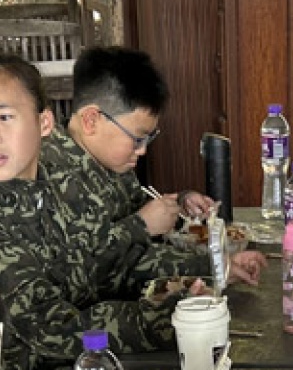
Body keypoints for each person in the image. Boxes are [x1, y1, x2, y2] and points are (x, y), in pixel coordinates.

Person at [0, 54, 198, 370]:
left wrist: (202, 271)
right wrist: (166, 320)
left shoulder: (53, 182)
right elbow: (53, 329)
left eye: (5, 117)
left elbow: (99, 268)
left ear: (44, 123)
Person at [39, 44, 265, 289]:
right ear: (91, 120)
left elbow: (139, 247)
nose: (142, 150)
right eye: (137, 138)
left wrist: (180, 207)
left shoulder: (109, 160)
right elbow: (79, 278)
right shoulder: (47, 174)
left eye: (147, 139)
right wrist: (141, 225)